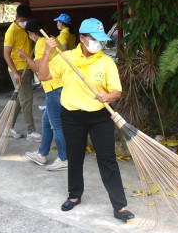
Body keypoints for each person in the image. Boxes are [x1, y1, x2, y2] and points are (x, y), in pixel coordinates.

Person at [38, 18, 135, 221]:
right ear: (82, 38)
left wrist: (107, 97)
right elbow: (44, 76)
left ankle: (120, 206)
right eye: (94, 39)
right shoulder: (66, 58)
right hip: (72, 117)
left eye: (101, 40)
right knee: (75, 157)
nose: (99, 44)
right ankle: (74, 196)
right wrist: (47, 52)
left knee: (107, 160)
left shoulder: (106, 61)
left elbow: (116, 91)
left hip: (100, 117)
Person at [17, 19, 68, 171]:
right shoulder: (53, 39)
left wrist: (26, 58)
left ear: (32, 33)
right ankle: (42, 155)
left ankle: (64, 159)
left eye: (29, 34)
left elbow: (38, 69)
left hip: (53, 88)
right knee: (46, 122)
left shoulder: (41, 43)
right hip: (59, 86)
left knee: (56, 125)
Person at [3, 4, 41, 142]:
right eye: (23, 19)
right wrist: (16, 73)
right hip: (18, 70)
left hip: (27, 68)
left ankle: (8, 127)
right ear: (16, 17)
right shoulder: (11, 31)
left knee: (20, 100)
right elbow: (6, 55)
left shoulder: (26, 29)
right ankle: (31, 132)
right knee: (27, 99)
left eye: (27, 19)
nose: (25, 22)